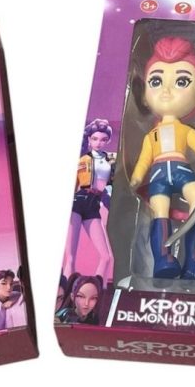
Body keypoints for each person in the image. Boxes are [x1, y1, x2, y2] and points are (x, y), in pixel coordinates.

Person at [129, 35, 195, 280]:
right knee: (160, 210)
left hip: (182, 170)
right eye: (156, 81)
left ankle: (194, 261)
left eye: (182, 81)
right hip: (158, 175)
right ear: (144, 95)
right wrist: (136, 178)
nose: (166, 91)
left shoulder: (186, 131)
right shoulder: (151, 137)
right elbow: (144, 160)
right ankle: (162, 259)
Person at [63, 119, 116, 281]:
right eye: (95, 139)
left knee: (106, 257)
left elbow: (110, 187)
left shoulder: (111, 159)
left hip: (94, 204)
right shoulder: (81, 160)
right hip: (77, 202)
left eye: (103, 139)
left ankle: (97, 289)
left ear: (107, 140)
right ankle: (65, 291)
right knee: (70, 257)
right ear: (89, 139)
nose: (99, 143)